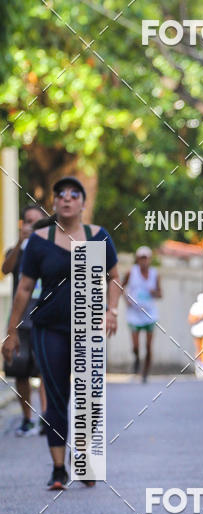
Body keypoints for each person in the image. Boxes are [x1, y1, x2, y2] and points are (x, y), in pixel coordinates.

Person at [2, 176, 119, 489]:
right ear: (54, 203)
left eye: (73, 195)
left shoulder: (98, 237)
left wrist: (112, 310)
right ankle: (58, 468)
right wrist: (11, 331)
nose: (67, 199)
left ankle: (85, 460)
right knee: (56, 396)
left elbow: (113, 278)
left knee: (88, 396)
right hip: (48, 327)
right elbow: (24, 287)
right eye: (61, 195)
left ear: (82, 203)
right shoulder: (40, 240)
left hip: (88, 327)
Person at [2, 204, 48, 435]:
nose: (31, 225)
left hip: (44, 320)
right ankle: (27, 418)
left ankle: (45, 419)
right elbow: (5, 268)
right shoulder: (16, 251)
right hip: (20, 322)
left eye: (36, 222)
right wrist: (21, 243)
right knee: (20, 372)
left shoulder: (50, 250)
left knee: (44, 371)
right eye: (27, 221)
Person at [122, 246, 161, 382]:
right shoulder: (130, 272)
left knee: (149, 346)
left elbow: (160, 294)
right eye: (141, 258)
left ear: (149, 260)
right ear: (137, 259)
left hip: (149, 314)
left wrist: (153, 293)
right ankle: (137, 359)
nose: (144, 261)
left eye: (146, 258)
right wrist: (126, 299)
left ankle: (145, 372)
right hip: (134, 313)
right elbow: (121, 286)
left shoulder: (155, 274)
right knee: (136, 345)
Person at [188, 292, 203, 377]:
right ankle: (198, 368)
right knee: (199, 351)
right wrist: (201, 316)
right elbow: (191, 319)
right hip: (197, 331)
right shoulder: (196, 307)